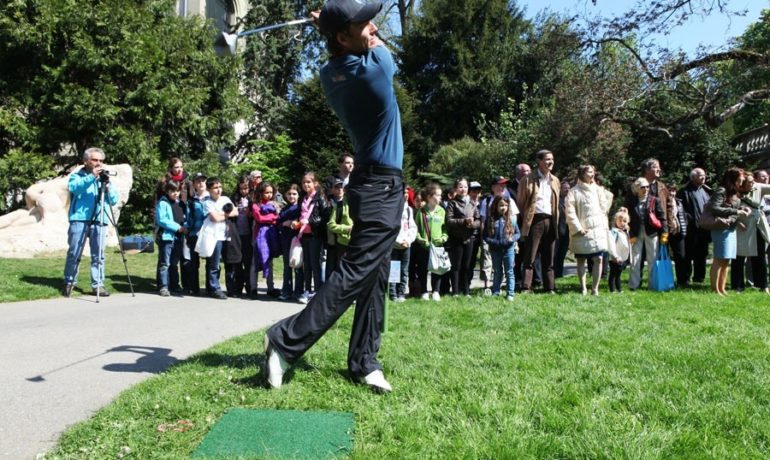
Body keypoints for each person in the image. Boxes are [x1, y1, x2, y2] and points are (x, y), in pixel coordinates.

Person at [264, 0, 405, 393]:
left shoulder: (329, 73)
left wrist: (330, 29)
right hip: (381, 188)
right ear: (344, 36)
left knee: (375, 275)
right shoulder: (377, 72)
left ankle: (364, 361)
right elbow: (379, 49)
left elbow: (348, 47)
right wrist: (328, 27)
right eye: (364, 23)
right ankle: (286, 339)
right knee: (358, 270)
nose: (374, 26)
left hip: (365, 184)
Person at [63, 147, 121, 297]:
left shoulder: (104, 177)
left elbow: (113, 199)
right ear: (86, 161)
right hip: (80, 219)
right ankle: (69, 282)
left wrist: (107, 185)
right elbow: (75, 188)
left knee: (99, 255)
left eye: (101, 161)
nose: (98, 163)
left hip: (100, 219)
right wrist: (91, 178)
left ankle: (98, 285)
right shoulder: (77, 176)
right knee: (74, 252)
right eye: (95, 160)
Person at [517, 149, 560, 294]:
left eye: (552, 159)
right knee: (530, 256)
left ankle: (550, 287)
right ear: (539, 161)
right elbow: (521, 202)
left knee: (549, 256)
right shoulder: (527, 179)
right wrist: (527, 218)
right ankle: (526, 287)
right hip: (534, 220)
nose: (551, 162)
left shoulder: (555, 180)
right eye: (547, 159)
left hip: (550, 220)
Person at [565, 165, 613, 295]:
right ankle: (583, 287)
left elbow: (604, 207)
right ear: (582, 174)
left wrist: (603, 226)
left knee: (598, 259)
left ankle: (595, 289)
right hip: (582, 230)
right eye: (589, 173)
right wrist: (578, 227)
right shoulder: (574, 191)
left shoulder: (598, 190)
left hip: (597, 230)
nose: (592, 175)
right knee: (581, 260)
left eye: (593, 172)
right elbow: (570, 211)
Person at [708, 168, 751, 296]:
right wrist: (736, 212)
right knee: (719, 259)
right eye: (739, 179)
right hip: (721, 228)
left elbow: (731, 207)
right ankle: (715, 289)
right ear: (732, 179)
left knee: (727, 260)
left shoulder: (734, 192)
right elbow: (714, 208)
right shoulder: (722, 190)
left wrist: (741, 209)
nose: (741, 181)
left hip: (731, 228)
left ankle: (722, 288)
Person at [197, 177, 238, 300]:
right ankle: (214, 288)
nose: (218, 190)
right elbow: (214, 218)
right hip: (214, 236)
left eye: (220, 187)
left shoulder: (225, 199)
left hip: (226, 235)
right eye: (215, 188)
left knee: (229, 263)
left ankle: (231, 288)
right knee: (214, 264)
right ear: (209, 189)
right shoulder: (207, 202)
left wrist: (221, 214)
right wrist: (224, 215)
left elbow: (235, 212)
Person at [731, 173, 770, 293]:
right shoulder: (734, 191)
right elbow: (727, 208)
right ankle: (738, 286)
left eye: (753, 181)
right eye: (749, 182)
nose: (752, 184)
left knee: (760, 255)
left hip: (757, 225)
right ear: (742, 184)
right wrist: (736, 222)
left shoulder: (758, 187)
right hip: (742, 226)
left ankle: (763, 285)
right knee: (739, 256)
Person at [628, 177, 667, 290]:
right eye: (642, 187)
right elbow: (627, 218)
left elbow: (662, 218)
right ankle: (633, 285)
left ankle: (653, 285)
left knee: (652, 259)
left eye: (647, 187)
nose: (645, 189)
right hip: (636, 233)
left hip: (652, 233)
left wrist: (665, 234)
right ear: (636, 189)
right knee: (635, 259)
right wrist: (630, 233)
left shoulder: (655, 200)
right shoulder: (631, 202)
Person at [297, 172, 329, 303]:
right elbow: (300, 214)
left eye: (309, 182)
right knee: (307, 264)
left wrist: (310, 222)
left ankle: (317, 291)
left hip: (316, 235)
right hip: (304, 235)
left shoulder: (320, 197)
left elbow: (326, 217)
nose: (306, 185)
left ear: (315, 183)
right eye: (304, 182)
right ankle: (307, 290)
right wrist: (296, 222)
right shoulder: (303, 198)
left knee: (315, 264)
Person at [445, 178, 481, 296]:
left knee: (467, 266)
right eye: (460, 187)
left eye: (465, 187)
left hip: (469, 238)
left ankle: (466, 291)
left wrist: (472, 225)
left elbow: (478, 220)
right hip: (456, 238)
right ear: (456, 189)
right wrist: (464, 221)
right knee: (456, 266)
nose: (463, 189)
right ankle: (455, 291)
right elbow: (449, 221)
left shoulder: (472, 202)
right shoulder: (452, 203)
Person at [676, 168, 712, 286]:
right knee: (688, 254)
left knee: (702, 254)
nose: (703, 177)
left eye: (704, 175)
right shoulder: (684, 191)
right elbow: (681, 210)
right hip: (690, 229)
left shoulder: (705, 191)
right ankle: (686, 278)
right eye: (701, 176)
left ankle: (699, 277)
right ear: (693, 177)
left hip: (703, 229)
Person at [415, 184, 449, 301]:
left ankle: (436, 291)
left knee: (437, 269)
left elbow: (445, 229)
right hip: (424, 247)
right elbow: (416, 228)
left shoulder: (442, 211)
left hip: (438, 246)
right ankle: (424, 291)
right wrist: (420, 239)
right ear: (430, 197)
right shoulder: (421, 212)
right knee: (422, 269)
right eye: (438, 195)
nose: (440, 197)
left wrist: (444, 237)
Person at [155, 180, 187, 296]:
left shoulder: (180, 204)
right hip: (167, 237)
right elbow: (162, 220)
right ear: (167, 191)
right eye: (172, 191)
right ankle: (163, 286)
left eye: (177, 191)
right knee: (165, 263)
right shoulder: (162, 203)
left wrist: (185, 227)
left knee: (174, 263)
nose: (175, 193)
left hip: (179, 237)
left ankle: (174, 284)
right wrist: (177, 227)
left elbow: (184, 218)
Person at [484, 195, 520, 300]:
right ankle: (496, 291)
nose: (503, 208)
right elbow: (485, 235)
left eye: (505, 205)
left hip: (508, 249)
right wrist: (493, 242)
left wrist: (512, 239)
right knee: (497, 271)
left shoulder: (512, 219)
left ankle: (510, 293)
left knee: (509, 271)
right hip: (495, 250)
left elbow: (518, 233)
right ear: (495, 206)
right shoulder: (491, 219)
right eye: (500, 205)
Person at [251, 181, 281, 298]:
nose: (269, 195)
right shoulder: (255, 205)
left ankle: (270, 287)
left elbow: (278, 217)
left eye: (271, 192)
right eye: (266, 192)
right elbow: (259, 218)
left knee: (269, 261)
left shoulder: (274, 204)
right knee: (255, 261)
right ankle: (253, 288)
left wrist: (272, 218)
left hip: (271, 236)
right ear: (260, 192)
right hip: (258, 236)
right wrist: (272, 218)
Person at [389, 185, 417, 302]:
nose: (405, 195)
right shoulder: (392, 209)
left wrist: (408, 240)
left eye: (406, 193)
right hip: (395, 245)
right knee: (394, 270)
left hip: (406, 245)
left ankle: (401, 293)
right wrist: (399, 241)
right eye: (402, 192)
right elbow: (391, 228)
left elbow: (412, 227)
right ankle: (393, 294)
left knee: (404, 270)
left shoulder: (409, 210)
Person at [181, 173, 208, 296]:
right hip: (194, 234)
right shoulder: (192, 201)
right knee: (193, 263)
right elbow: (188, 217)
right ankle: (194, 287)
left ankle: (211, 287)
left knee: (211, 262)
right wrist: (187, 229)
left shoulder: (211, 198)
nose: (201, 183)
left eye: (203, 181)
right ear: (194, 184)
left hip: (209, 235)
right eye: (198, 181)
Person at [277, 184, 304, 301]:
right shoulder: (283, 209)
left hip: (297, 240)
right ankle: (286, 290)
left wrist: (295, 222)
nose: (291, 196)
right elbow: (278, 223)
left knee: (298, 265)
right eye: (289, 194)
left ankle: (298, 291)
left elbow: (304, 221)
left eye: (294, 194)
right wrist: (284, 223)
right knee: (287, 266)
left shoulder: (301, 208)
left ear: (298, 195)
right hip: (285, 240)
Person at [230, 176, 254, 297]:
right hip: (236, 233)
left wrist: (250, 213)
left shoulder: (252, 199)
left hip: (248, 234)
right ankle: (238, 287)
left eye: (246, 188)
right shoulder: (234, 198)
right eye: (241, 189)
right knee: (237, 261)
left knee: (248, 261)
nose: (244, 191)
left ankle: (249, 286)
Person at [326, 178, 353, 277]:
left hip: (359, 244)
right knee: (342, 272)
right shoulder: (340, 205)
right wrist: (346, 229)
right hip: (343, 244)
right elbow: (330, 225)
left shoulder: (362, 204)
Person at [607, 207, 631, 293]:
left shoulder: (625, 232)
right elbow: (611, 245)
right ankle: (612, 289)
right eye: (620, 221)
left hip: (622, 258)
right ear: (615, 220)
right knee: (613, 274)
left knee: (618, 274)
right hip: (615, 257)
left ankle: (619, 289)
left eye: (624, 221)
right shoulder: (613, 232)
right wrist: (614, 255)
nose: (622, 223)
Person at [554, 180, 571, 278]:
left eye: (568, 188)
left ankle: (559, 273)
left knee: (562, 254)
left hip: (568, 232)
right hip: (558, 231)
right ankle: (554, 273)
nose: (567, 190)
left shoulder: (570, 201)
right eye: (565, 188)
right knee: (555, 254)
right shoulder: (556, 201)